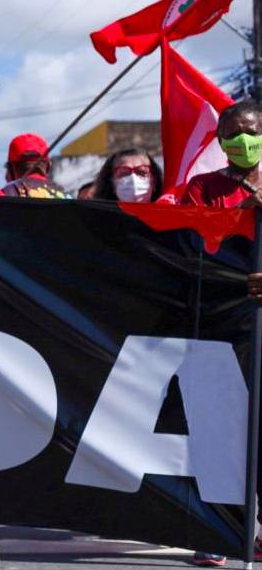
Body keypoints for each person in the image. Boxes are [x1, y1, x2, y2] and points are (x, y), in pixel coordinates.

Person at [182, 100, 262, 567]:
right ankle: (219, 531)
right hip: (223, 325)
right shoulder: (203, 189)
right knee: (221, 430)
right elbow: (193, 253)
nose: (241, 141)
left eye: (249, 131)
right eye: (230, 134)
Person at [1, 133, 72, 199]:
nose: (5, 176)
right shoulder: (66, 196)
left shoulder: (4, 195)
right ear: (48, 167)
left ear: (10, 169)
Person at [89, 148, 164, 203]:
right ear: (112, 183)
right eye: (124, 173)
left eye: (142, 172)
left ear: (153, 182)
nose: (134, 179)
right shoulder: (95, 221)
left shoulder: (169, 219)